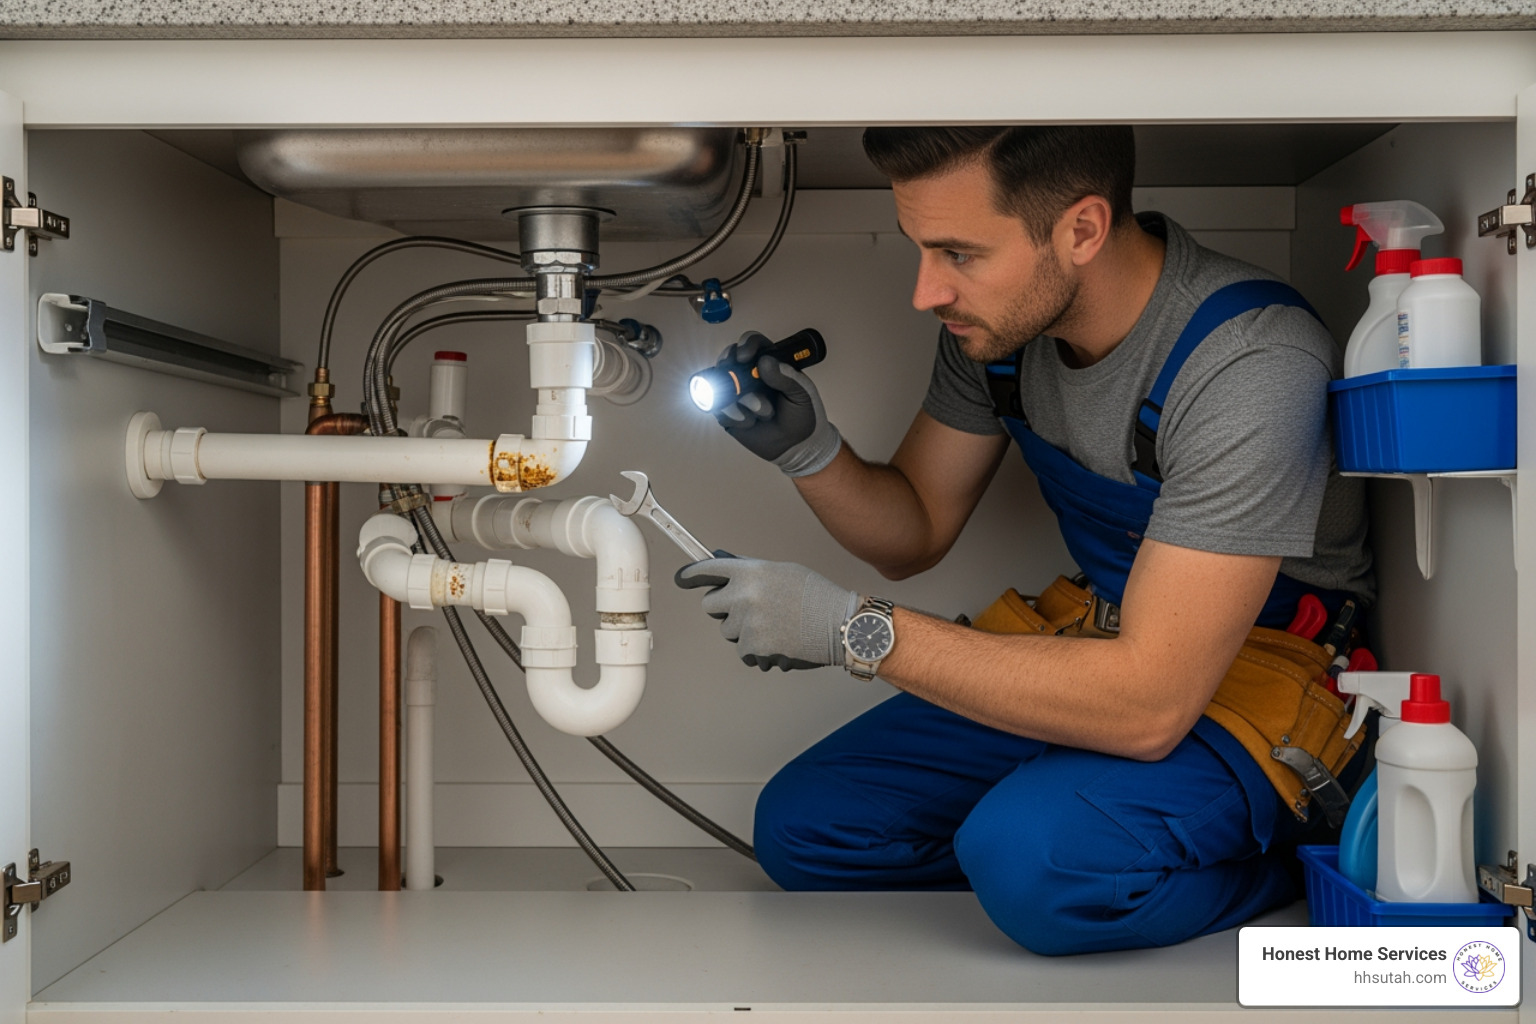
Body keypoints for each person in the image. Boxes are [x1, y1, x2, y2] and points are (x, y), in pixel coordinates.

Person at [675, 126, 1374, 955]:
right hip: (1100, 644)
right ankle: (1070, 844)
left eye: (958, 254)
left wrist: (852, 630)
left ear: (1081, 230)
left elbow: (1152, 704)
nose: (926, 292)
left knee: (1032, 862)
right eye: (919, 250)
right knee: (808, 828)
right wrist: (810, 452)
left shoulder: (1250, 359)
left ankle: (1286, 861)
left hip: (1252, 676)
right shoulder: (998, 338)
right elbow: (913, 532)